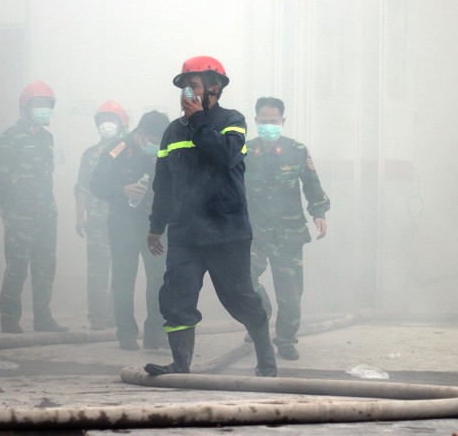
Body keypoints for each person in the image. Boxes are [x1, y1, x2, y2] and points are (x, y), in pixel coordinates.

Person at [144, 56, 277, 377]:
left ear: (214, 89)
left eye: (194, 86)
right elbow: (163, 183)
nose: (186, 93)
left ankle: (266, 361)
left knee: (240, 299)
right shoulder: (173, 131)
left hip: (226, 232)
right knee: (176, 297)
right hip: (185, 234)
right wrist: (156, 225)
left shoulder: (232, 120)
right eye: (183, 87)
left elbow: (225, 157)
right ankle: (180, 364)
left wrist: (202, 120)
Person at [245, 97, 330, 360]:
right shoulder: (242, 152)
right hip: (253, 232)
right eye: (263, 121)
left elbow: (312, 184)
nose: (268, 125)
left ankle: (285, 339)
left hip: (288, 233)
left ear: (282, 122)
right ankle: (260, 319)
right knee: (244, 283)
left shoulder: (297, 150)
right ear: (256, 121)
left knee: (291, 294)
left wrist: (319, 213)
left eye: (273, 121)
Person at [0, 80, 67, 334]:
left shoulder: (48, 138)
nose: (45, 109)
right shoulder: (10, 136)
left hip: (46, 213)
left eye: (48, 105)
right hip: (20, 215)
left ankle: (43, 318)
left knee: (45, 269)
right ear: (26, 107)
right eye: (40, 104)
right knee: (17, 268)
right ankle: (10, 318)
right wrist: (11, 205)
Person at [90, 111, 170, 350]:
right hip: (124, 224)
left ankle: (155, 333)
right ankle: (125, 333)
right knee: (124, 279)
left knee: (159, 279)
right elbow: (97, 185)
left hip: (155, 225)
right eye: (154, 140)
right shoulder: (118, 149)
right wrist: (122, 190)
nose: (157, 145)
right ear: (141, 133)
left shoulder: (166, 151)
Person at [74, 101, 129, 331]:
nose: (106, 125)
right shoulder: (90, 155)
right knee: (97, 271)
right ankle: (97, 316)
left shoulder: (130, 151)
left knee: (121, 270)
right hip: (97, 221)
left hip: (122, 220)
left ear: (122, 125)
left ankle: (116, 316)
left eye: (112, 120)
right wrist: (80, 217)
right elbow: (82, 187)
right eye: (103, 120)